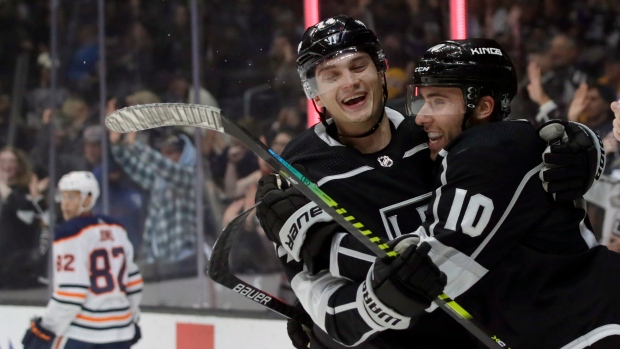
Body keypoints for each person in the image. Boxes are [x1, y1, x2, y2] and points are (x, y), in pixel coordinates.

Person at [255, 15, 604, 349]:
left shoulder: (429, 131)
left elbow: (506, 142)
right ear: (314, 94)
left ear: (381, 71)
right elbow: (330, 309)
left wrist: (576, 144)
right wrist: (375, 303)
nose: (349, 82)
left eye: (358, 66)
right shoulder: (299, 174)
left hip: (479, 336)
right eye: (331, 75)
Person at [21, 171, 142, 349]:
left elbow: (71, 294)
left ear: (88, 199)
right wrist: (132, 318)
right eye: (63, 197)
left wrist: (46, 327)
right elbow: (133, 282)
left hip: (83, 334)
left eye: (72, 197)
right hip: (120, 332)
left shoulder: (69, 233)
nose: (65, 204)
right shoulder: (116, 228)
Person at [109, 129, 197, 281]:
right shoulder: (160, 181)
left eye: (171, 153)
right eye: (163, 153)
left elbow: (165, 167)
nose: (166, 158)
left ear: (185, 153)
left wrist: (135, 145)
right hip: (160, 262)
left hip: (184, 262)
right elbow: (135, 168)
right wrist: (118, 145)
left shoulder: (190, 177)